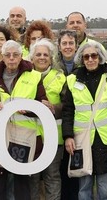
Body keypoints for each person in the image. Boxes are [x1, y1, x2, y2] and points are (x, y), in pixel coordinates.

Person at [0, 40, 49, 200]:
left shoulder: (35, 76)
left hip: (24, 139)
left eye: (15, 55)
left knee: (21, 185)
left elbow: (43, 104)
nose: (11, 58)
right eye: (7, 55)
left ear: (21, 56)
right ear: (2, 57)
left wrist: (30, 110)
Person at [62, 40, 107, 200]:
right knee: (84, 191)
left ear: (100, 57)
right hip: (82, 141)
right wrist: (68, 136)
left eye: (94, 55)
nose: (90, 59)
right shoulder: (72, 79)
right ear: (82, 59)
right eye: (86, 57)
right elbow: (68, 111)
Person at [30, 39, 68, 200]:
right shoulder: (24, 76)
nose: (42, 57)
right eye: (38, 54)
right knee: (31, 178)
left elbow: (68, 105)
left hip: (53, 137)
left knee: (52, 177)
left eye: (46, 54)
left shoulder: (60, 77)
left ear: (51, 58)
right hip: (30, 136)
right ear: (32, 58)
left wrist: (54, 108)